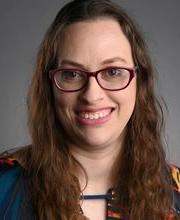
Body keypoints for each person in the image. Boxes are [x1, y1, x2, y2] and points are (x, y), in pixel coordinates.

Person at [0, 0, 179, 219]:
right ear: (49, 86)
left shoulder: (175, 191)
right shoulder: (4, 187)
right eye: (72, 74)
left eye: (113, 72)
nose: (92, 95)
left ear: (139, 81)